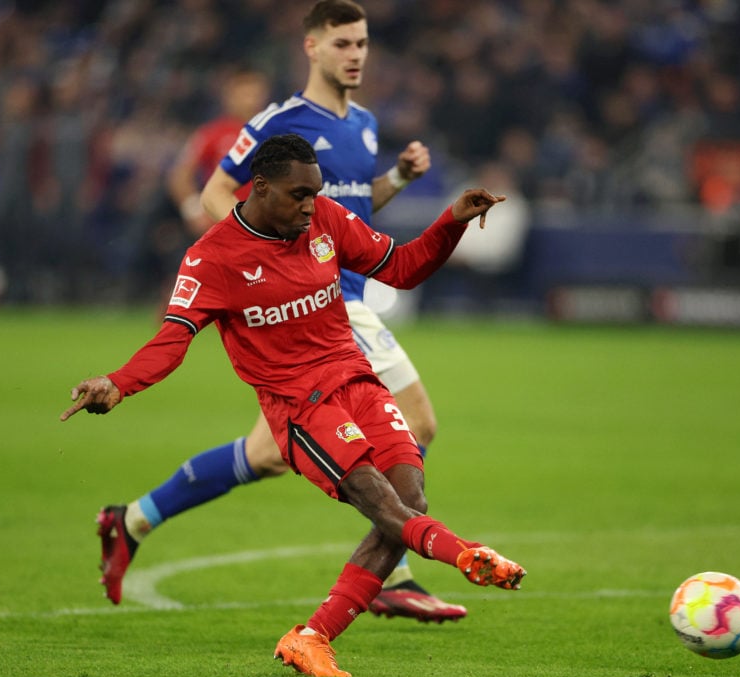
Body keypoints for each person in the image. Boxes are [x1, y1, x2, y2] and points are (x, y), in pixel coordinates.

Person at [61, 133, 523, 677]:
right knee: (381, 504)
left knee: (409, 498)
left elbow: (400, 267)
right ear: (259, 188)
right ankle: (467, 554)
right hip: (301, 407)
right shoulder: (212, 258)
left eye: (315, 193)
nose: (310, 204)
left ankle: (310, 637)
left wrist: (451, 222)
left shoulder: (324, 218)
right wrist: (118, 383)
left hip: (358, 382)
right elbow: (173, 338)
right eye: (297, 194)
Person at [96, 0, 464, 623]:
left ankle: (130, 520)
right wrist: (257, 275)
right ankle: (394, 572)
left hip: (344, 301)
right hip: (316, 309)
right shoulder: (279, 122)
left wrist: (397, 178)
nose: (356, 56)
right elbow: (217, 192)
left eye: (363, 44)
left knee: (268, 454)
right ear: (312, 47)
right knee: (415, 424)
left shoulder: (367, 125)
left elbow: (347, 213)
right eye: (343, 44)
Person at [166, 67, 271, 237]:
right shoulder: (212, 133)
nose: (250, 100)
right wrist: (194, 211)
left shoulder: (276, 132)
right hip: (224, 227)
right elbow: (180, 175)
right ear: (229, 95)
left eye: (255, 92)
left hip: (266, 227)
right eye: (243, 93)